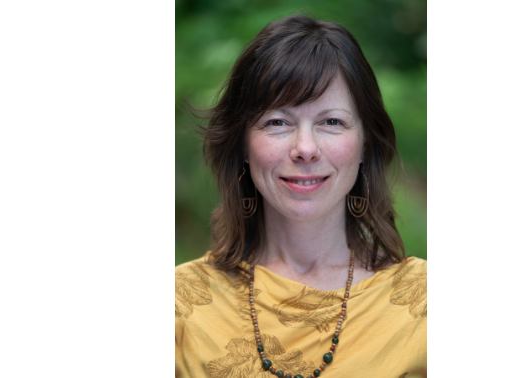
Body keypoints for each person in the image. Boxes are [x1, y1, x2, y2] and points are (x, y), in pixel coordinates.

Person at [175, 14, 426, 378]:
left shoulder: (424, 304)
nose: (305, 149)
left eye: (331, 122)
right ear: (243, 144)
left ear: (365, 145)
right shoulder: (181, 304)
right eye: (277, 122)